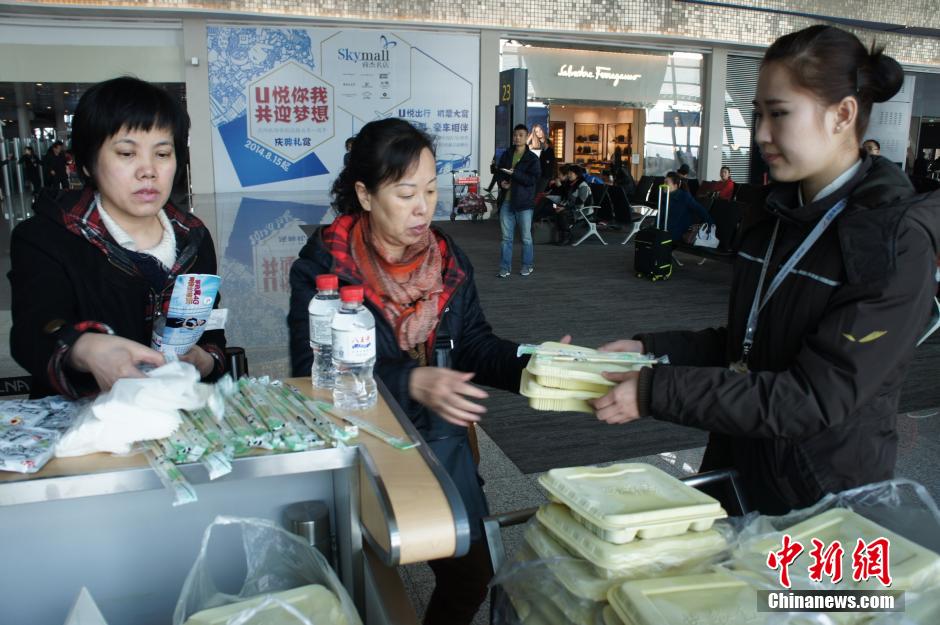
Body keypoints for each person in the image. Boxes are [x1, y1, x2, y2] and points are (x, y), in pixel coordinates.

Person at [588, 25, 939, 515]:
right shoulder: (776, 213)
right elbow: (752, 344)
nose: (760, 135)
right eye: (758, 114)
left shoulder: (891, 242)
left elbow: (814, 397)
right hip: (739, 463)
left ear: (843, 114)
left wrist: (656, 391)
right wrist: (653, 351)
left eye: (779, 114)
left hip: (821, 496)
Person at [287, 118, 532, 625]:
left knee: (470, 573)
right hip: (361, 443)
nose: (424, 207)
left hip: (441, 442)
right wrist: (411, 381)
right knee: (362, 578)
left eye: (431, 189)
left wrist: (534, 364)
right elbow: (312, 372)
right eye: (405, 193)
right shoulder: (325, 267)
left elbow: (474, 344)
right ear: (365, 194)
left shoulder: (446, 258)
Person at [9, 76, 227, 399]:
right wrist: (85, 348)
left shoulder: (193, 238)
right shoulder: (45, 238)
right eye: (126, 153)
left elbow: (212, 332)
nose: (148, 170)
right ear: (87, 164)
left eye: (162, 154)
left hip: (175, 415)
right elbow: (32, 333)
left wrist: (205, 360)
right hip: (87, 421)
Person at [495, 123, 540, 277]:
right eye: (515, 135)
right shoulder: (507, 154)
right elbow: (499, 173)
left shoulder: (532, 158)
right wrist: (502, 182)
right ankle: (505, 267)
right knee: (506, 238)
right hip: (507, 201)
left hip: (524, 203)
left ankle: (527, 265)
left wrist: (515, 174)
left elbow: (532, 180)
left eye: (521, 135)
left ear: (527, 137)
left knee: (526, 238)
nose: (517, 138)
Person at [661, 171, 713, 240]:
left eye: (666, 183)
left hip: (676, 232)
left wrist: (710, 225)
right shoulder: (665, 196)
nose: (663, 185)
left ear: (675, 185)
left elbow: (700, 210)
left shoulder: (684, 196)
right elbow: (661, 215)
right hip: (665, 230)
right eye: (664, 182)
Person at [552, 164, 592, 245]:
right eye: (568, 173)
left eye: (571, 173)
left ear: (577, 174)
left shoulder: (583, 185)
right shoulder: (571, 184)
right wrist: (560, 206)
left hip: (582, 210)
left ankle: (567, 237)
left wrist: (564, 208)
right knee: (553, 207)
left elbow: (580, 202)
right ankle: (561, 236)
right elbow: (567, 198)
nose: (569, 175)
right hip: (571, 207)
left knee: (562, 213)